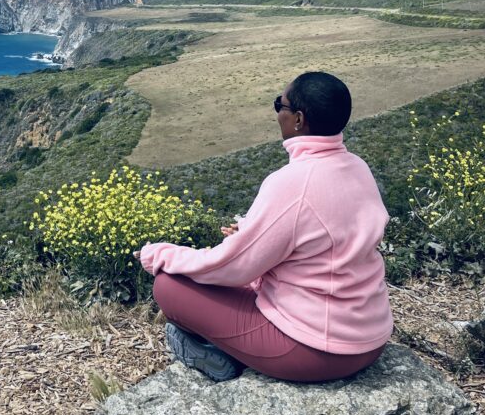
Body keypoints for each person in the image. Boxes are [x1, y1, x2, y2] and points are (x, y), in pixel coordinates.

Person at [135, 71, 393, 383]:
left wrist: (161, 255)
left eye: (278, 106)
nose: (277, 115)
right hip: (369, 339)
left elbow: (234, 268)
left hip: (316, 352)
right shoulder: (357, 168)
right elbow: (321, 244)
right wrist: (250, 235)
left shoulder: (293, 183)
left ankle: (215, 357)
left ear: (298, 119)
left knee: (169, 287)